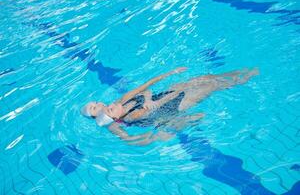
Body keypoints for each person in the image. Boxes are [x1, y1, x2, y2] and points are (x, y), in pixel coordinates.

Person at [81, 67, 259, 145]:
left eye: (96, 103)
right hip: (171, 106)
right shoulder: (124, 119)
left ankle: (236, 73)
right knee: (211, 86)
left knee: (205, 77)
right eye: (95, 108)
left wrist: (171, 73)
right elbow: (129, 138)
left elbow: (146, 88)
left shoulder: (119, 103)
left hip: (162, 97)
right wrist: (157, 136)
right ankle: (242, 79)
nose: (104, 104)